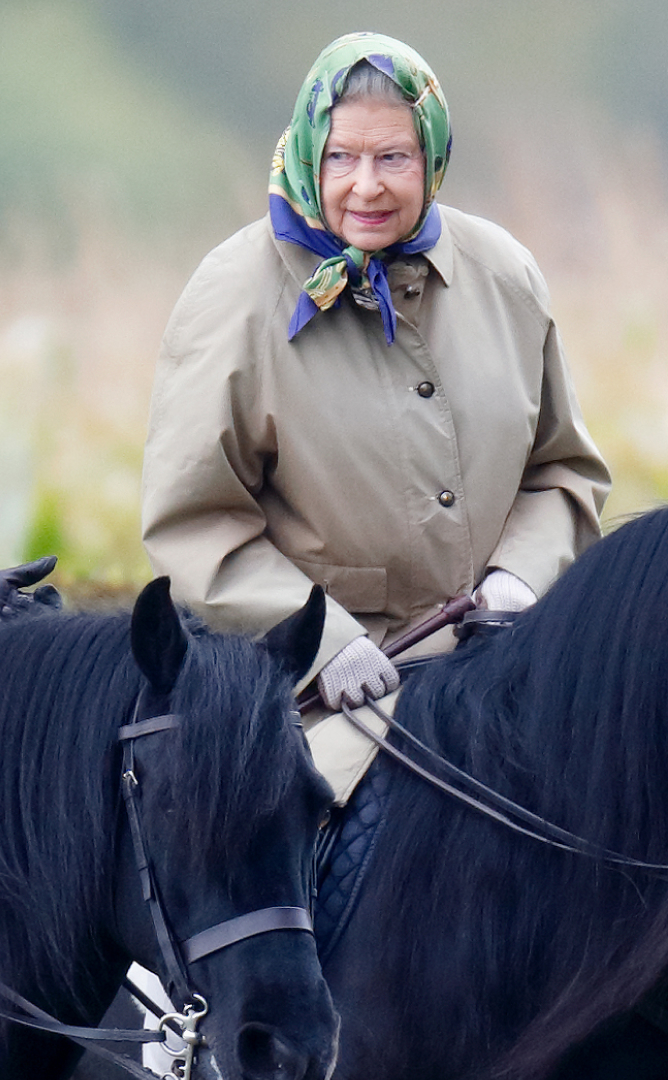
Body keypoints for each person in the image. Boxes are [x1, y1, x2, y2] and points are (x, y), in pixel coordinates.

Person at [141, 32, 610, 802]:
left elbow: (563, 470)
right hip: (319, 701)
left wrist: (519, 581)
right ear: (305, 154)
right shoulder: (232, 295)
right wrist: (325, 640)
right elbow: (196, 528)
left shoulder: (506, 275)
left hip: (517, 669)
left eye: (393, 158)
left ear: (431, 159)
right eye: (340, 158)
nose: (367, 186)